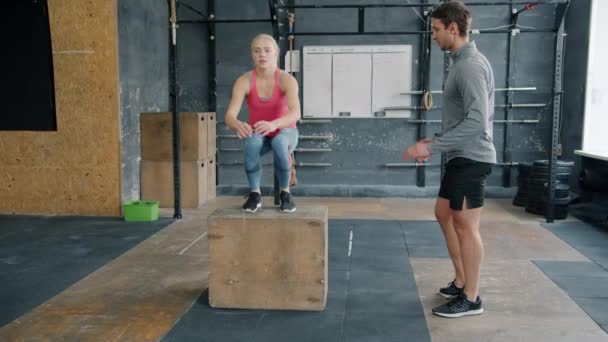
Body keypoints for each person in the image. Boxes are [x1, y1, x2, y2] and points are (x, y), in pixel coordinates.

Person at [403, 0, 496, 318]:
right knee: (444, 213)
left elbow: (478, 121)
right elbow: (464, 119)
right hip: (460, 156)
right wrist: (436, 140)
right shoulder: (461, 62)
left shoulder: (469, 65)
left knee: (466, 226)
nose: (434, 36)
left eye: (437, 30)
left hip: (472, 157)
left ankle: (471, 297)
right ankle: (461, 279)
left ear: (453, 29)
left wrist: (434, 146)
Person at [224, 34, 300, 213]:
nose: (262, 55)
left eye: (267, 50)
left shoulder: (287, 80)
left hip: (285, 130)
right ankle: (254, 194)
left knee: (280, 142)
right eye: (257, 51)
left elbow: (296, 113)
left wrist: (275, 124)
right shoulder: (244, 81)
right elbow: (229, 115)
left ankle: (285, 193)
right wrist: (238, 124)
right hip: (260, 132)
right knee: (252, 142)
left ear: (276, 53)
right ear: (252, 55)